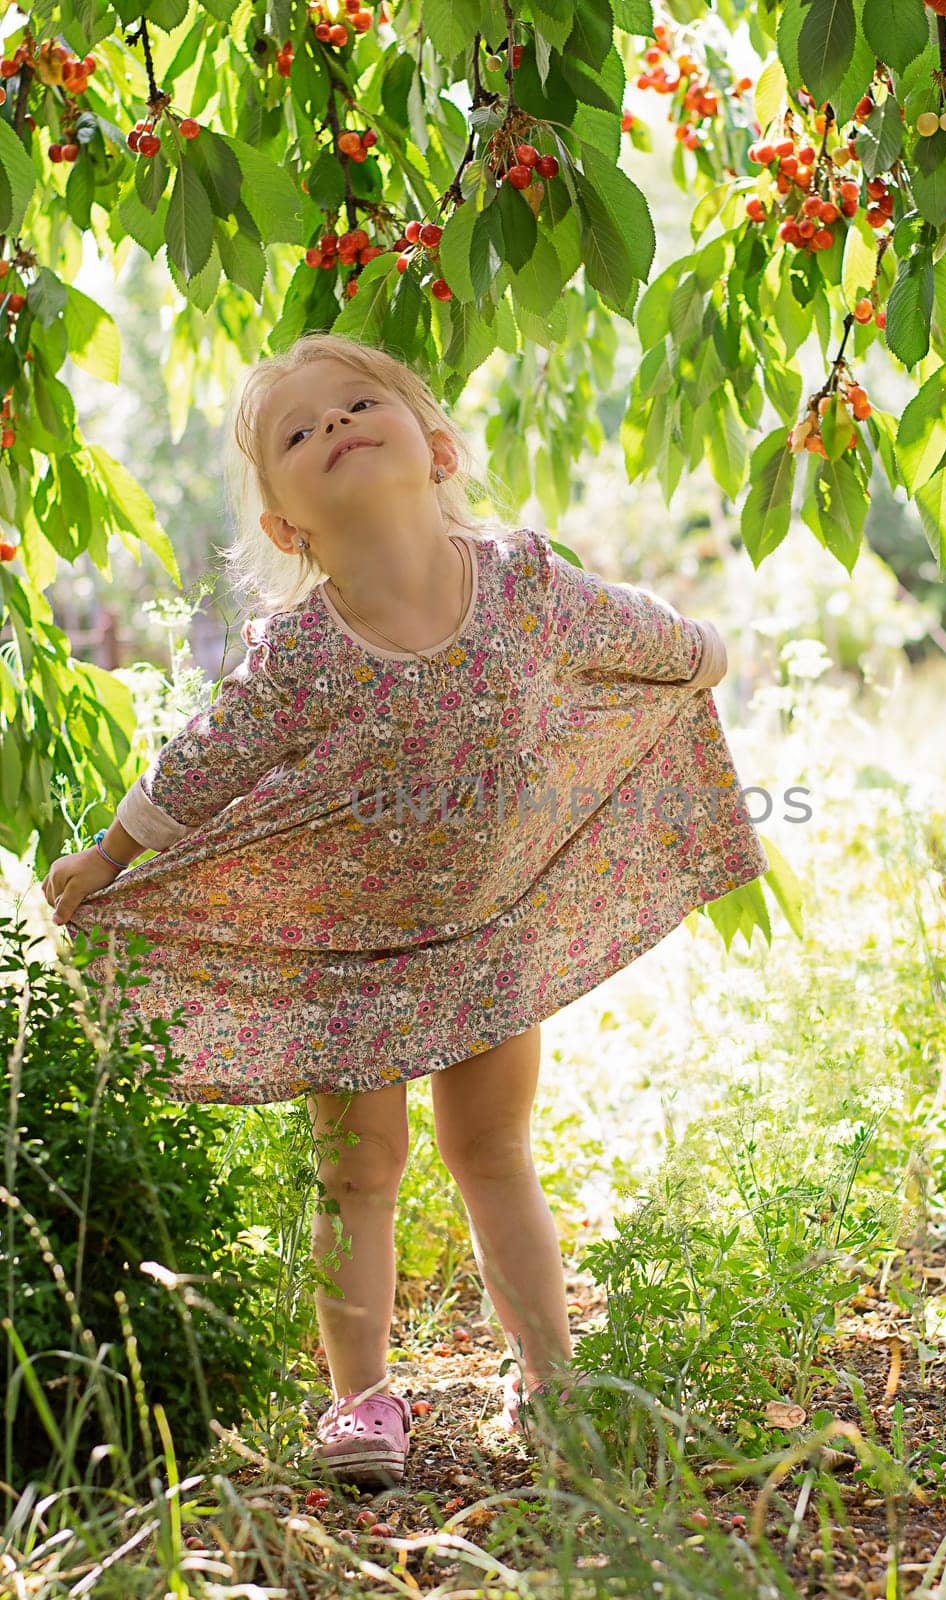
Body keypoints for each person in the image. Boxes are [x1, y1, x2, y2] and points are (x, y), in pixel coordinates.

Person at [39, 331, 769, 1488]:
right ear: (287, 526)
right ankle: (360, 1402)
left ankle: (551, 1380)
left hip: (488, 930)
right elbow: (207, 757)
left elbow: (641, 632)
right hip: (346, 952)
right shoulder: (304, 653)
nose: (332, 426)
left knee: (493, 1150)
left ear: (434, 447)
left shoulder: (526, 587)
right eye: (297, 431)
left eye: (357, 403)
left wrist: (705, 652)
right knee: (361, 1169)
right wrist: (110, 850)